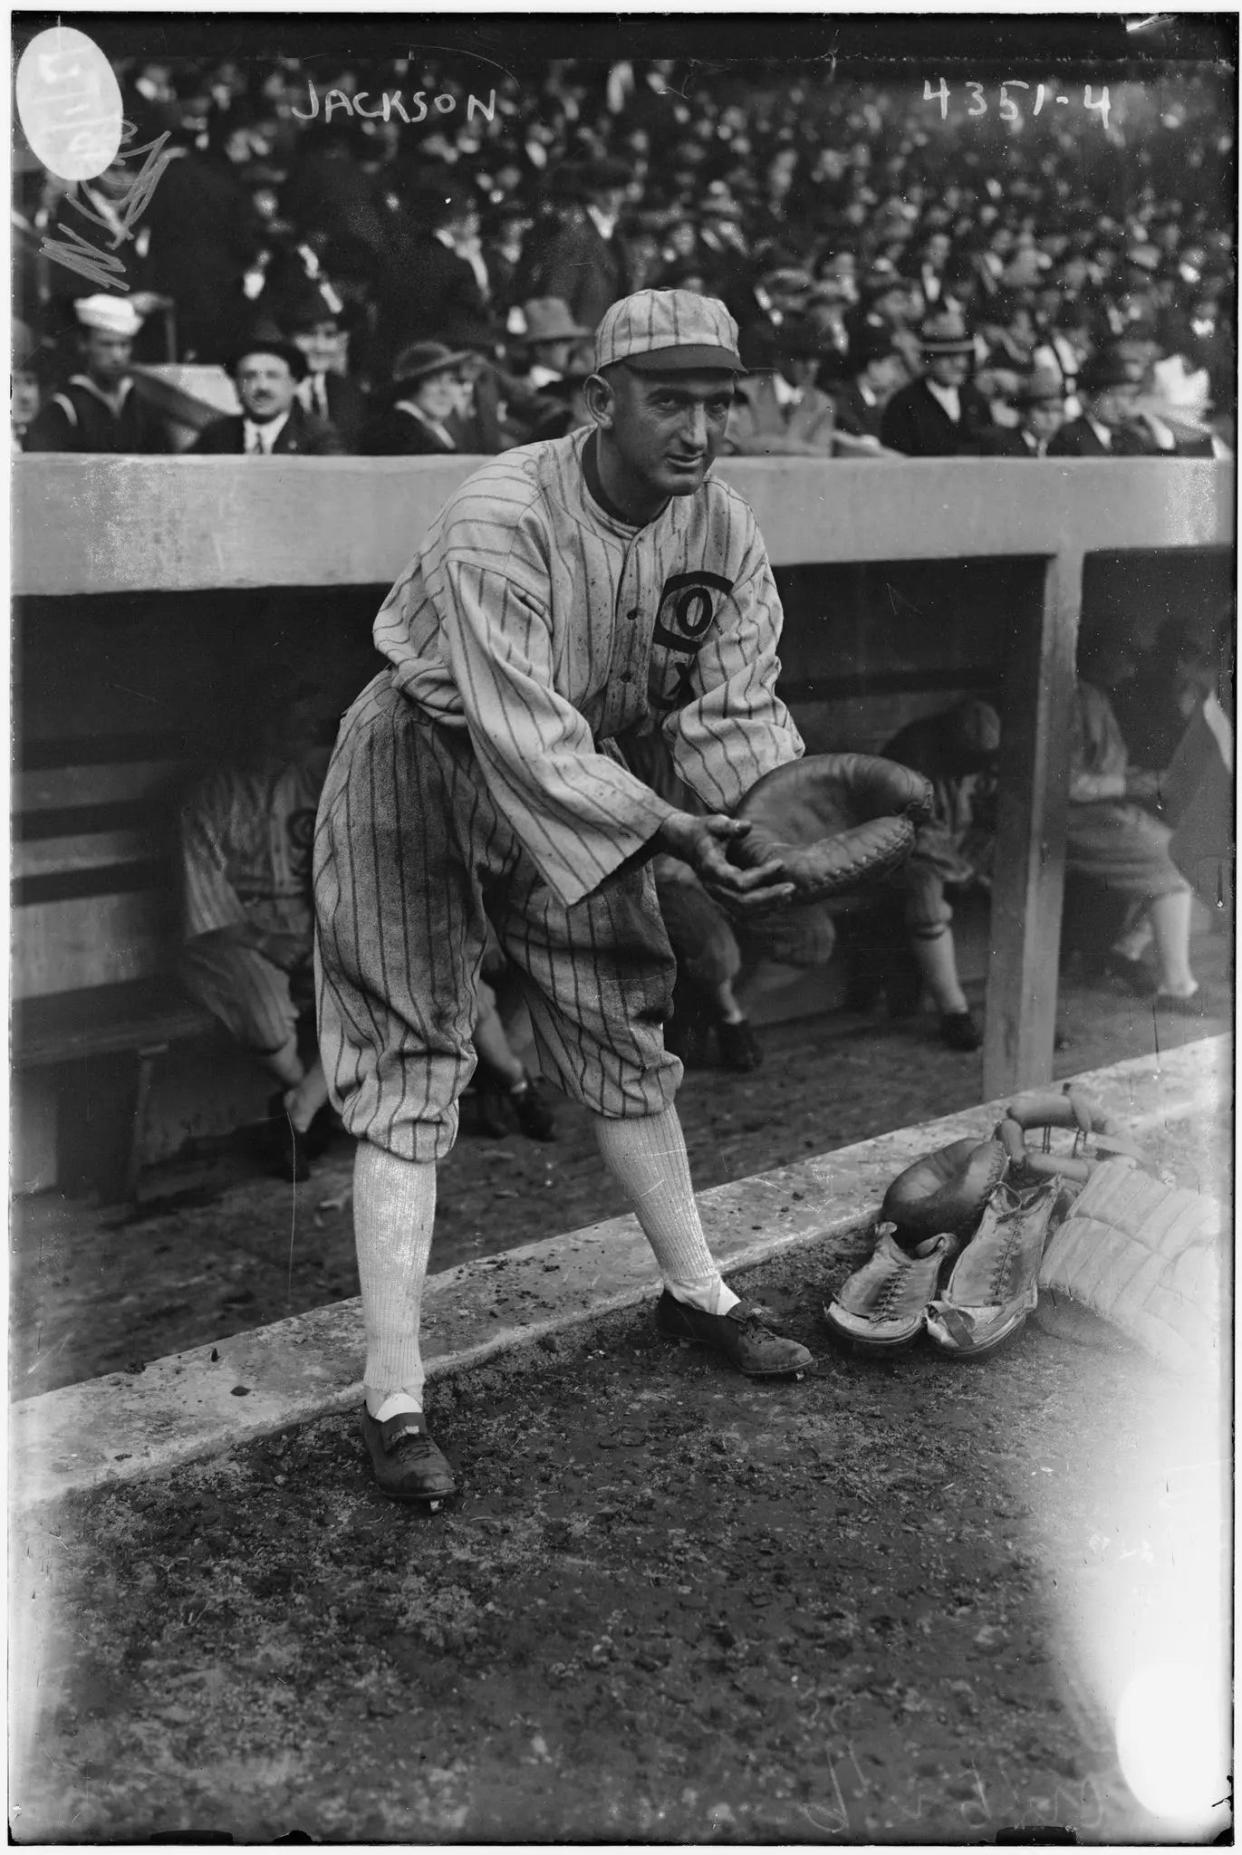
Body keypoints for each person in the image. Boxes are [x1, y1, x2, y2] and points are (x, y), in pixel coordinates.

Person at [314, 288, 814, 1504]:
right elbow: (521, 736)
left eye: (720, 400)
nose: (700, 429)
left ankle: (698, 1291)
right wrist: (676, 830)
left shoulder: (724, 525)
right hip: (424, 764)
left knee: (622, 1029)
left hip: (594, 776)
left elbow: (734, 709)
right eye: (670, 400)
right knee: (407, 1060)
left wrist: (772, 826)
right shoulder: (500, 509)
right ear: (603, 400)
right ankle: (394, 1395)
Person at [178, 672, 334, 1182]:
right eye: (297, 723)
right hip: (231, 939)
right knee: (268, 1021)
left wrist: (324, 937)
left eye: (312, 722)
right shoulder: (212, 796)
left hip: (307, 932)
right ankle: (308, 1106)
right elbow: (205, 910)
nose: (310, 732)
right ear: (261, 726)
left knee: (379, 996)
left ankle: (300, 1113)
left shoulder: (318, 780)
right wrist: (267, 941)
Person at [1066, 675, 1202, 1009]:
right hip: (1068, 816)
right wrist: (1134, 783)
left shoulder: (1098, 693)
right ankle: (1176, 987)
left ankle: (1127, 950)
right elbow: (1071, 785)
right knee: (1173, 857)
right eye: (1121, 648)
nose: (1129, 659)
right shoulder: (1074, 696)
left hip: (1099, 807)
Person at [875, 699, 1002, 1052]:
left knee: (1020, 870)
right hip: (909, 851)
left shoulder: (987, 751)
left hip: (962, 844)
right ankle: (954, 1012)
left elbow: (995, 809)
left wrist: (981, 855)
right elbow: (909, 832)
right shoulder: (912, 754)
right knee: (926, 894)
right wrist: (962, 867)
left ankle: (1027, 1009)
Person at [23, 296, 172, 454]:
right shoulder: (65, 409)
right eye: (106, 344)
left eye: (124, 345)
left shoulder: (141, 404)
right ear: (83, 344)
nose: (117, 356)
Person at [191, 324, 345, 456]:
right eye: (249, 376)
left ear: (293, 383)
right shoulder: (217, 435)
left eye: (273, 376)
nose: (261, 387)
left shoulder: (318, 438)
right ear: (236, 385)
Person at [879, 310, 994, 457]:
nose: (959, 364)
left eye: (962, 356)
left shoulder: (975, 399)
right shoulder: (903, 404)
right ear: (929, 360)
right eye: (948, 357)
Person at [725, 320, 837, 458]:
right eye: (800, 359)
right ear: (779, 359)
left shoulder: (823, 403)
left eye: (815, 360)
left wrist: (771, 444)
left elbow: (822, 453)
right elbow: (744, 443)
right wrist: (801, 448)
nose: (810, 368)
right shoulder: (747, 391)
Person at [359, 341, 472, 456]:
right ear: (412, 385)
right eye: (432, 380)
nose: (445, 391)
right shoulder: (395, 432)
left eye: (452, 381)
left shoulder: (439, 429)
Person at [1047, 351, 1159, 457]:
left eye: (1126, 395)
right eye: (1111, 395)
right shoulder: (1067, 437)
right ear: (1085, 398)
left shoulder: (1133, 439)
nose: (1120, 404)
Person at [827, 329, 907, 444]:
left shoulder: (877, 401)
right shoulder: (841, 398)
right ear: (873, 367)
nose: (896, 375)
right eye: (893, 366)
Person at [978, 368, 1066, 457]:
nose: (1051, 419)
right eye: (1043, 410)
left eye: (1057, 410)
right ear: (1024, 413)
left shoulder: (1064, 447)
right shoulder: (1000, 444)